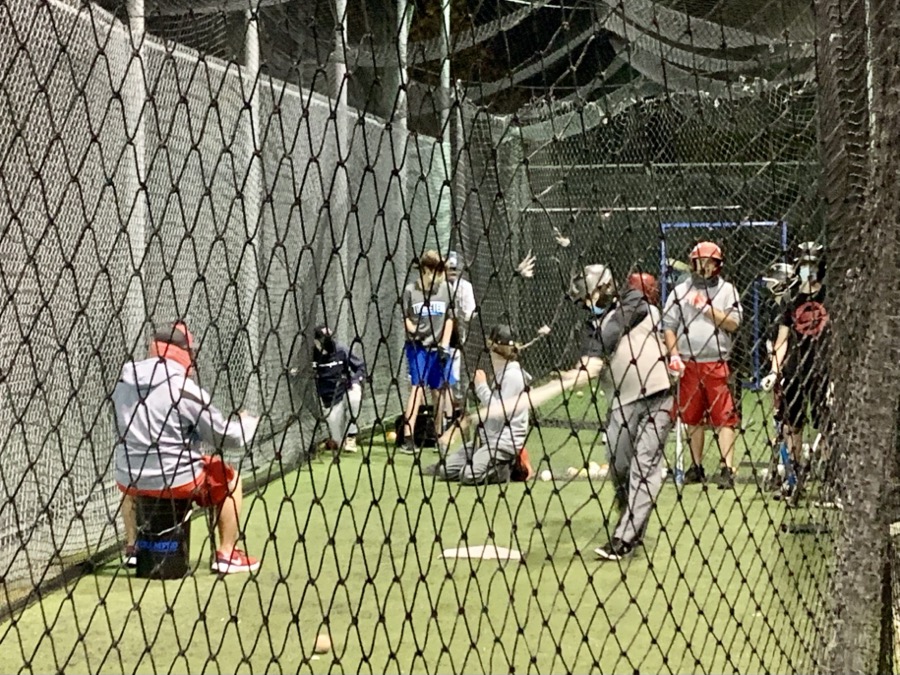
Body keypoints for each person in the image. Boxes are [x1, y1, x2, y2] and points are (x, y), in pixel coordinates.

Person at [113, 322, 261, 574]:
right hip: (177, 480)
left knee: (133, 479)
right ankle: (226, 554)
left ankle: (133, 549)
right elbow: (226, 438)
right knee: (230, 479)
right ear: (182, 353)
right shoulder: (184, 389)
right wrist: (247, 423)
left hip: (130, 477)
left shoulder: (123, 383)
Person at [662, 241, 743, 489]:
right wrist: (673, 355)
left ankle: (727, 468)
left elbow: (733, 323)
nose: (704, 267)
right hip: (688, 363)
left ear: (717, 265)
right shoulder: (680, 291)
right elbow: (669, 326)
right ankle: (696, 467)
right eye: (700, 262)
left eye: (709, 262)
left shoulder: (727, 290)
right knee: (692, 417)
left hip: (716, 362)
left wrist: (706, 308)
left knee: (724, 417)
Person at [761, 242, 832, 503]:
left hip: (824, 370)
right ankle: (793, 478)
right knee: (792, 426)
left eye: (813, 266)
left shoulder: (830, 297)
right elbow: (783, 340)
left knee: (828, 426)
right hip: (795, 372)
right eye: (804, 266)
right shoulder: (791, 300)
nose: (808, 271)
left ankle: (830, 480)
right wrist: (774, 370)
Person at [427, 324, 531, 485]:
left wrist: (482, 387)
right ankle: (486, 460)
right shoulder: (501, 373)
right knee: (445, 470)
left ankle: (508, 468)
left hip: (502, 443)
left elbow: (500, 413)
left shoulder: (513, 376)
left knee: (468, 476)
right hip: (485, 440)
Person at [401, 250, 455, 455]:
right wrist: (412, 329)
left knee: (438, 389)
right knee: (417, 387)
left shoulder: (445, 290)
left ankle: (439, 435)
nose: (439, 275)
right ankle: (408, 436)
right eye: (435, 271)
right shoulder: (410, 291)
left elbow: (450, 317)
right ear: (424, 270)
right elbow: (405, 316)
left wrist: (445, 344)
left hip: (438, 346)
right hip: (417, 347)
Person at [312, 324, 367, 454]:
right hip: (329, 401)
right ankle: (335, 439)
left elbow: (360, 367)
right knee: (337, 442)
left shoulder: (341, 350)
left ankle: (351, 436)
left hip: (344, 391)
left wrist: (354, 381)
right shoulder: (311, 354)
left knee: (355, 396)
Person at [445, 250, 477, 414]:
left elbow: (469, 314)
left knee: (452, 378)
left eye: (454, 268)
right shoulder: (437, 285)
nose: (452, 272)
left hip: (455, 339)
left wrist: (460, 310)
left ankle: (452, 413)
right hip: (433, 337)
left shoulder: (465, 286)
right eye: (449, 268)